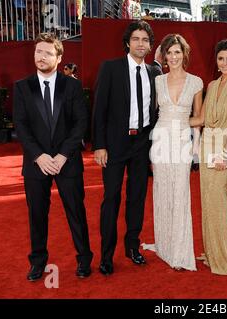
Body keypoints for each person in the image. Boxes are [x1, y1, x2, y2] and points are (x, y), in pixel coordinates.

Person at [13, 33, 93, 281]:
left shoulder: (72, 86)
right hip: (36, 164)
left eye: (48, 52)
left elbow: (80, 123)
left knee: (76, 213)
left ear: (59, 57)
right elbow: (21, 126)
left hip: (66, 162)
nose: (42, 56)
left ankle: (83, 259)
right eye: (38, 51)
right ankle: (37, 262)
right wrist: (39, 156)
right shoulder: (22, 87)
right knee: (37, 215)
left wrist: (61, 155)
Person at [92, 20, 161, 276]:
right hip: (114, 143)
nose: (140, 43)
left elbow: (156, 111)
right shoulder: (111, 68)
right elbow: (99, 110)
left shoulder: (155, 72)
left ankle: (133, 247)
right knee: (111, 198)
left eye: (145, 40)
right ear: (127, 42)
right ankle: (106, 256)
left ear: (150, 45)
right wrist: (99, 145)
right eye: (136, 39)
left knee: (137, 197)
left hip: (142, 143)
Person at [190, 39, 227, 275]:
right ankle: (213, 252)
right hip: (207, 145)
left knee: (217, 199)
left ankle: (224, 256)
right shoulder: (212, 85)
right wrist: (172, 120)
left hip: (226, 144)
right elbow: (201, 120)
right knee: (207, 199)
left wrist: (226, 154)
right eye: (221, 58)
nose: (224, 63)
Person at [148, 34, 203, 271]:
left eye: (177, 52)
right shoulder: (158, 81)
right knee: (162, 192)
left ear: (184, 54)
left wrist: (196, 147)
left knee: (180, 193)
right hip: (160, 141)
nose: (173, 56)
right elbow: (151, 115)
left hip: (182, 140)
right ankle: (165, 245)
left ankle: (180, 251)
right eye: (169, 53)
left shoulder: (196, 82)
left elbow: (200, 118)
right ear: (164, 56)